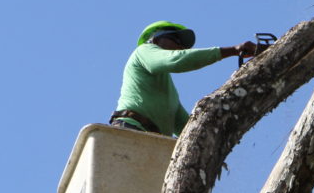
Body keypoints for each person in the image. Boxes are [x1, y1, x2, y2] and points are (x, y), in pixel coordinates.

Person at [110, 21, 258, 137]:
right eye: (176, 39)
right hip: (129, 129)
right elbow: (177, 60)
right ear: (156, 39)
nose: (180, 47)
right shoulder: (143, 51)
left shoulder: (167, 90)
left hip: (153, 141)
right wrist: (233, 50)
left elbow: (186, 128)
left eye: (182, 46)